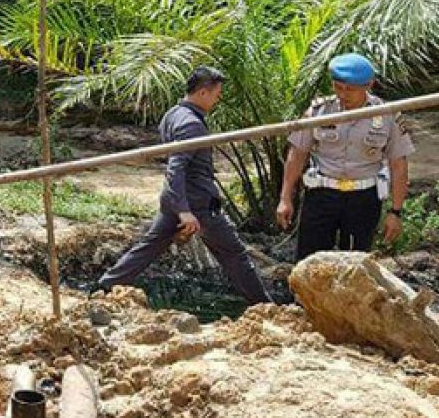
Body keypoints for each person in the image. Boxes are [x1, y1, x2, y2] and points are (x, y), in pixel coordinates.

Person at [95, 66, 269, 305]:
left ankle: (105, 285)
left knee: (149, 247)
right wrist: (184, 211)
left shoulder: (173, 114)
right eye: (217, 95)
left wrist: (177, 206)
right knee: (234, 253)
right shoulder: (191, 124)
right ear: (203, 93)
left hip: (176, 199)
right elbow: (176, 167)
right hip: (197, 203)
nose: (217, 101)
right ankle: (265, 306)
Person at [277, 53, 414, 260]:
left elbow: (399, 165)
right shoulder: (319, 111)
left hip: (363, 198)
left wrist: (395, 212)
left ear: (369, 85)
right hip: (322, 194)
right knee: (309, 261)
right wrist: (285, 198)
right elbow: (297, 154)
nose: (343, 94)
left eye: (350, 89)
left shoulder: (388, 116)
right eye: (337, 87)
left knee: (355, 263)